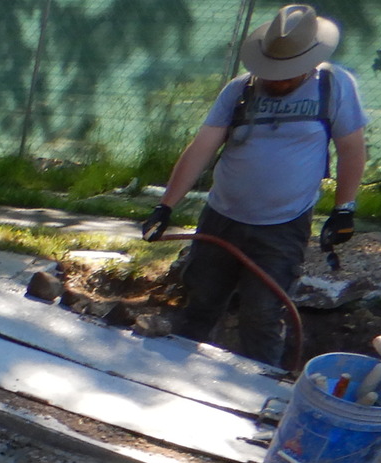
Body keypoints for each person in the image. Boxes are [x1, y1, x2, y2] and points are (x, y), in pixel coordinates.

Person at [141, 4, 367, 365]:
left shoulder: (335, 86)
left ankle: (260, 397)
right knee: (200, 302)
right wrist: (165, 205)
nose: (276, 79)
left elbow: (352, 149)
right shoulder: (239, 90)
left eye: (286, 72)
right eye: (271, 70)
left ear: (309, 61)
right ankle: (166, 377)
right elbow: (202, 147)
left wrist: (344, 210)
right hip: (221, 218)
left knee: (261, 315)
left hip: (282, 226)